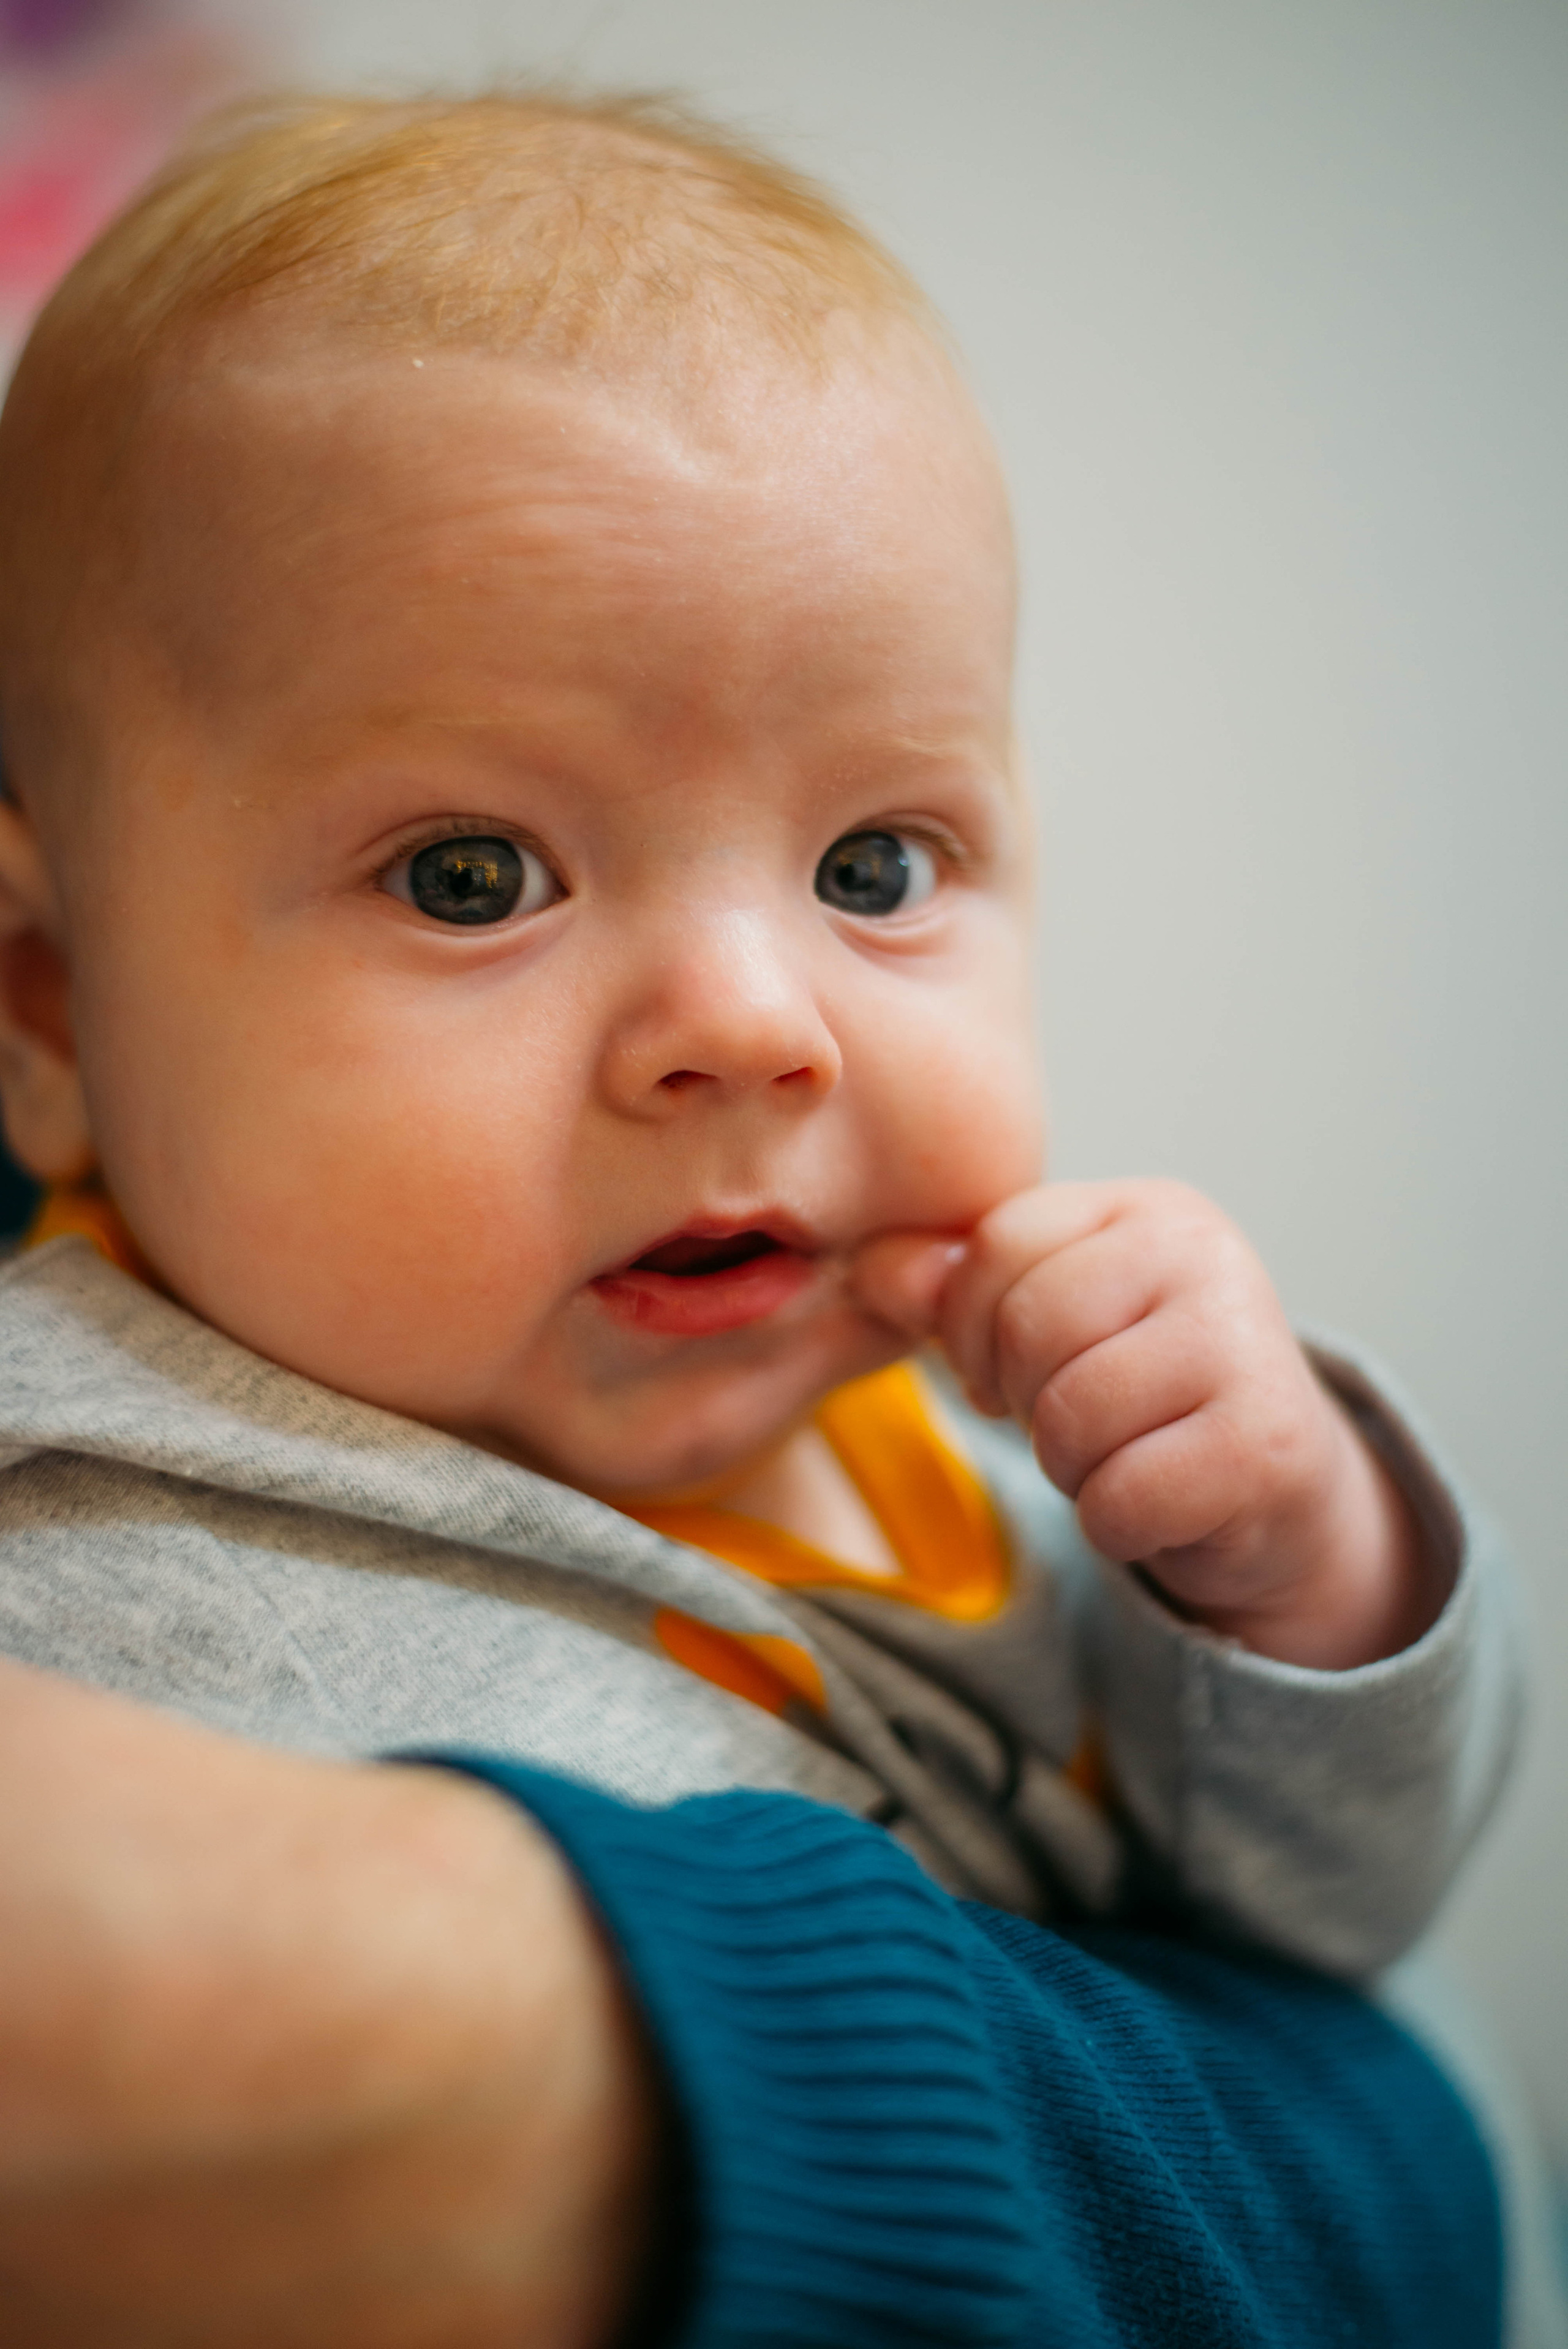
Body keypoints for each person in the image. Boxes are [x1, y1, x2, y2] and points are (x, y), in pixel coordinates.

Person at [0, 89, 1519, 2341]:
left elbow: (1329, 1931)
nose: (748, 1024)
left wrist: (1307, 1567)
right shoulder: (71, 1499)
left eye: (874, 868)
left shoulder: (1000, 1477)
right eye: (469, 875)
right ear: (52, 1003)